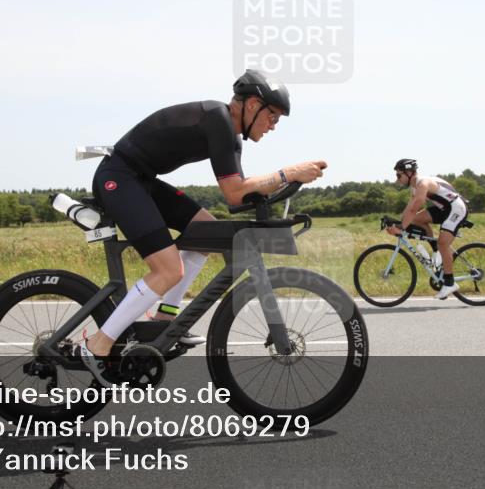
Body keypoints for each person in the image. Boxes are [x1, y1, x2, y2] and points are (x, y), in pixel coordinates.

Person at [78, 70, 327, 384]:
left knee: (205, 234)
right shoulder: (218, 120)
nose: (273, 125)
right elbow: (236, 191)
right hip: (120, 177)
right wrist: (289, 172)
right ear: (252, 105)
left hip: (141, 180)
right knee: (168, 270)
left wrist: (283, 183)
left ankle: (166, 321)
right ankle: (98, 345)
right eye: (273, 116)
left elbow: (237, 196)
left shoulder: (231, 135)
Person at [387, 159, 469, 299]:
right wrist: (397, 223)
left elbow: (416, 206)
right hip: (443, 208)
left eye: (399, 175)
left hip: (456, 208)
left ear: (409, 172)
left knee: (443, 243)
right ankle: (436, 252)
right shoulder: (414, 187)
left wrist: (402, 228)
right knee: (415, 220)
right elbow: (408, 210)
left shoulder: (423, 183)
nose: (398, 179)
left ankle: (449, 283)